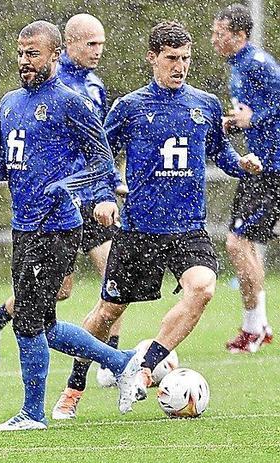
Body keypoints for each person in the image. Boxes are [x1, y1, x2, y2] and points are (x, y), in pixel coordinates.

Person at [52, 21, 263, 417]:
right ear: (152, 58)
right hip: (139, 230)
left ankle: (144, 370)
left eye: (185, 58)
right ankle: (74, 386)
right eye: (171, 58)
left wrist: (242, 165)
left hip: (188, 228)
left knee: (202, 287)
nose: (179, 66)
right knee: (107, 313)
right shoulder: (130, 107)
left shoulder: (205, 104)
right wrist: (103, 196)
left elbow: (221, 153)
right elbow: (101, 158)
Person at [0, 20, 143, 432]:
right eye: (20, 53)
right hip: (23, 226)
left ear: (54, 54)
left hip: (58, 227)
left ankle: (32, 413)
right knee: (43, 324)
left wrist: (72, 186)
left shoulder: (70, 101)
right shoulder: (9, 103)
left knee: (28, 319)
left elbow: (101, 162)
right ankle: (122, 361)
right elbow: (12, 165)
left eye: (33, 53)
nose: (24, 61)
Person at [211, 3, 280, 354]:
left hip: (273, 167)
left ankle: (255, 327)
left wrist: (255, 119)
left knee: (238, 244)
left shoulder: (258, 63)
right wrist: (235, 122)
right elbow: (253, 114)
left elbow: (273, 106)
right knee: (241, 243)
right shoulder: (238, 65)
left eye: (219, 34)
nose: (214, 40)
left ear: (239, 36)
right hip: (259, 165)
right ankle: (257, 326)